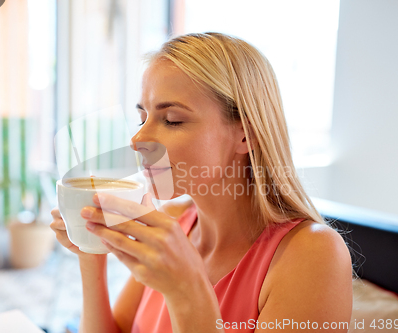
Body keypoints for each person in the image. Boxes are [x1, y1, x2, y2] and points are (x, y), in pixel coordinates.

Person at [51, 32, 353, 333]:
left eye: (171, 120)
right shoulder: (174, 222)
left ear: (246, 135)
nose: (138, 139)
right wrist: (91, 249)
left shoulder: (314, 256)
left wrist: (186, 292)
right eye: (143, 118)